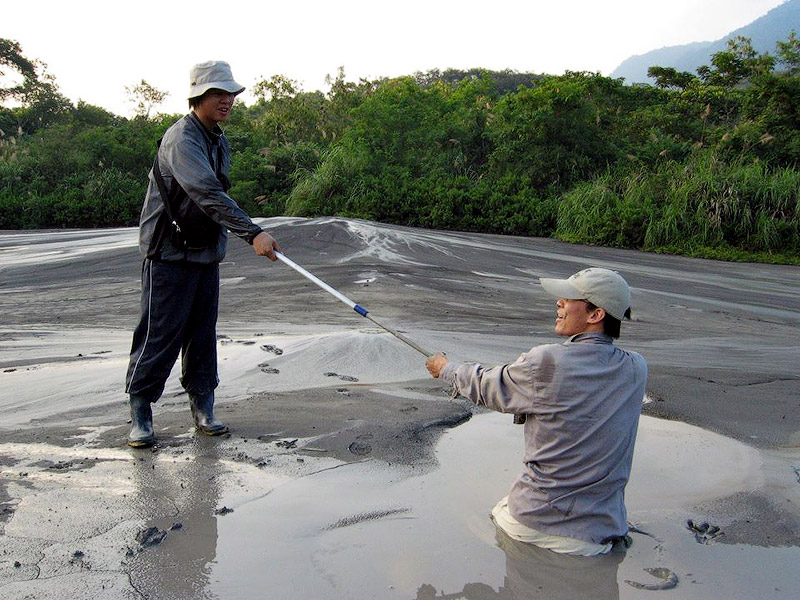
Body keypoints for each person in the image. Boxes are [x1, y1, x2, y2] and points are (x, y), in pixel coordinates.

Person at [426, 267, 647, 556]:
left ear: (595, 315)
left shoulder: (547, 361)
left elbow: (488, 385)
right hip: (604, 530)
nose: (559, 303)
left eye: (568, 299)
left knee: (485, 516)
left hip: (538, 524)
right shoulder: (636, 367)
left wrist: (445, 369)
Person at [125, 60, 281, 448]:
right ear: (199, 96)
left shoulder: (218, 139)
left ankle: (202, 406)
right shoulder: (182, 139)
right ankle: (141, 411)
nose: (227, 100)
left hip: (206, 251)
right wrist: (253, 233)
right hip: (168, 252)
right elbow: (208, 193)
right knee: (159, 334)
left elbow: (217, 195)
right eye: (218, 94)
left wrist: (240, 233)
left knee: (201, 333)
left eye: (230, 94)